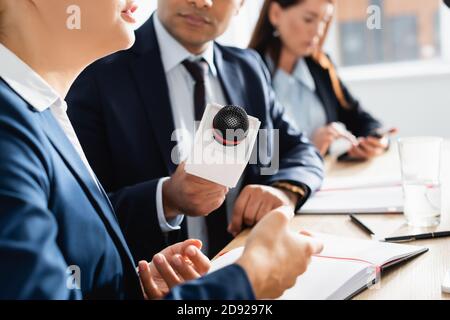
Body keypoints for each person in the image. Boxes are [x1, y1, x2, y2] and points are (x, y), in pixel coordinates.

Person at [0, 0, 323, 300]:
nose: (202, 2)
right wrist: (249, 281)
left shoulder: (43, 108)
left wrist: (131, 286)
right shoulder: (85, 80)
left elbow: (73, 238)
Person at [66, 0, 324, 260]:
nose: (203, 2)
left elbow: (300, 150)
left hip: (247, 270)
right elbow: (77, 214)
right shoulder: (97, 74)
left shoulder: (248, 69)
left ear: (241, 5)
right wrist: (166, 198)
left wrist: (283, 191)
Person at [249, 0, 395, 158]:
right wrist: (310, 149)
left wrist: (378, 141)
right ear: (276, 14)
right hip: (284, 182)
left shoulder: (320, 66)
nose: (318, 31)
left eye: (324, 21)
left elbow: (359, 118)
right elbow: (258, 162)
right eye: (308, 19)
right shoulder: (246, 73)